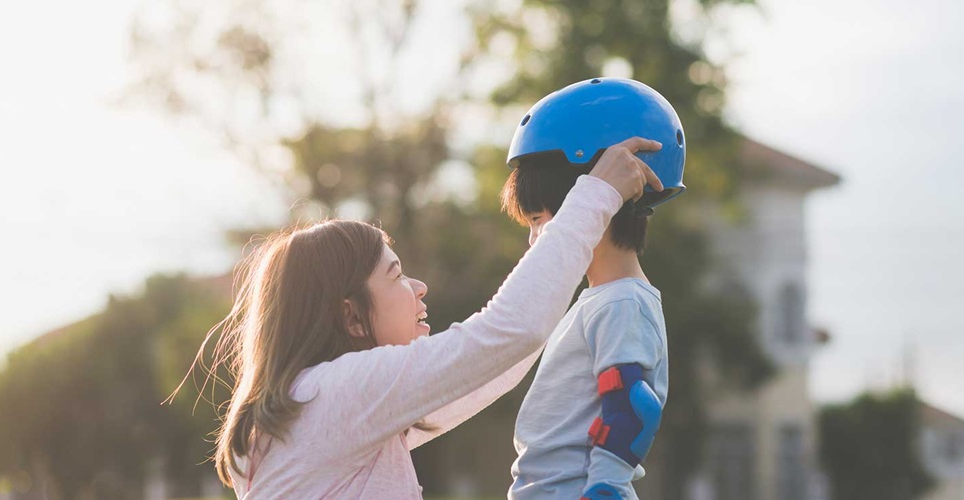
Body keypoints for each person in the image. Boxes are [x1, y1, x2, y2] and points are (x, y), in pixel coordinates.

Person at [170, 134, 664, 498]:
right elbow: (503, 335)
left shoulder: (310, 411)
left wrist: (574, 260)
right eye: (397, 275)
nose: (419, 287)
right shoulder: (336, 394)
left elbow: (491, 363)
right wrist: (595, 197)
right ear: (352, 316)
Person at [501, 78, 688, 500]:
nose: (534, 239)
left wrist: (607, 488)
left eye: (537, 219)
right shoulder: (600, 301)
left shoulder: (623, 302)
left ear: (595, 199)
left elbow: (631, 407)